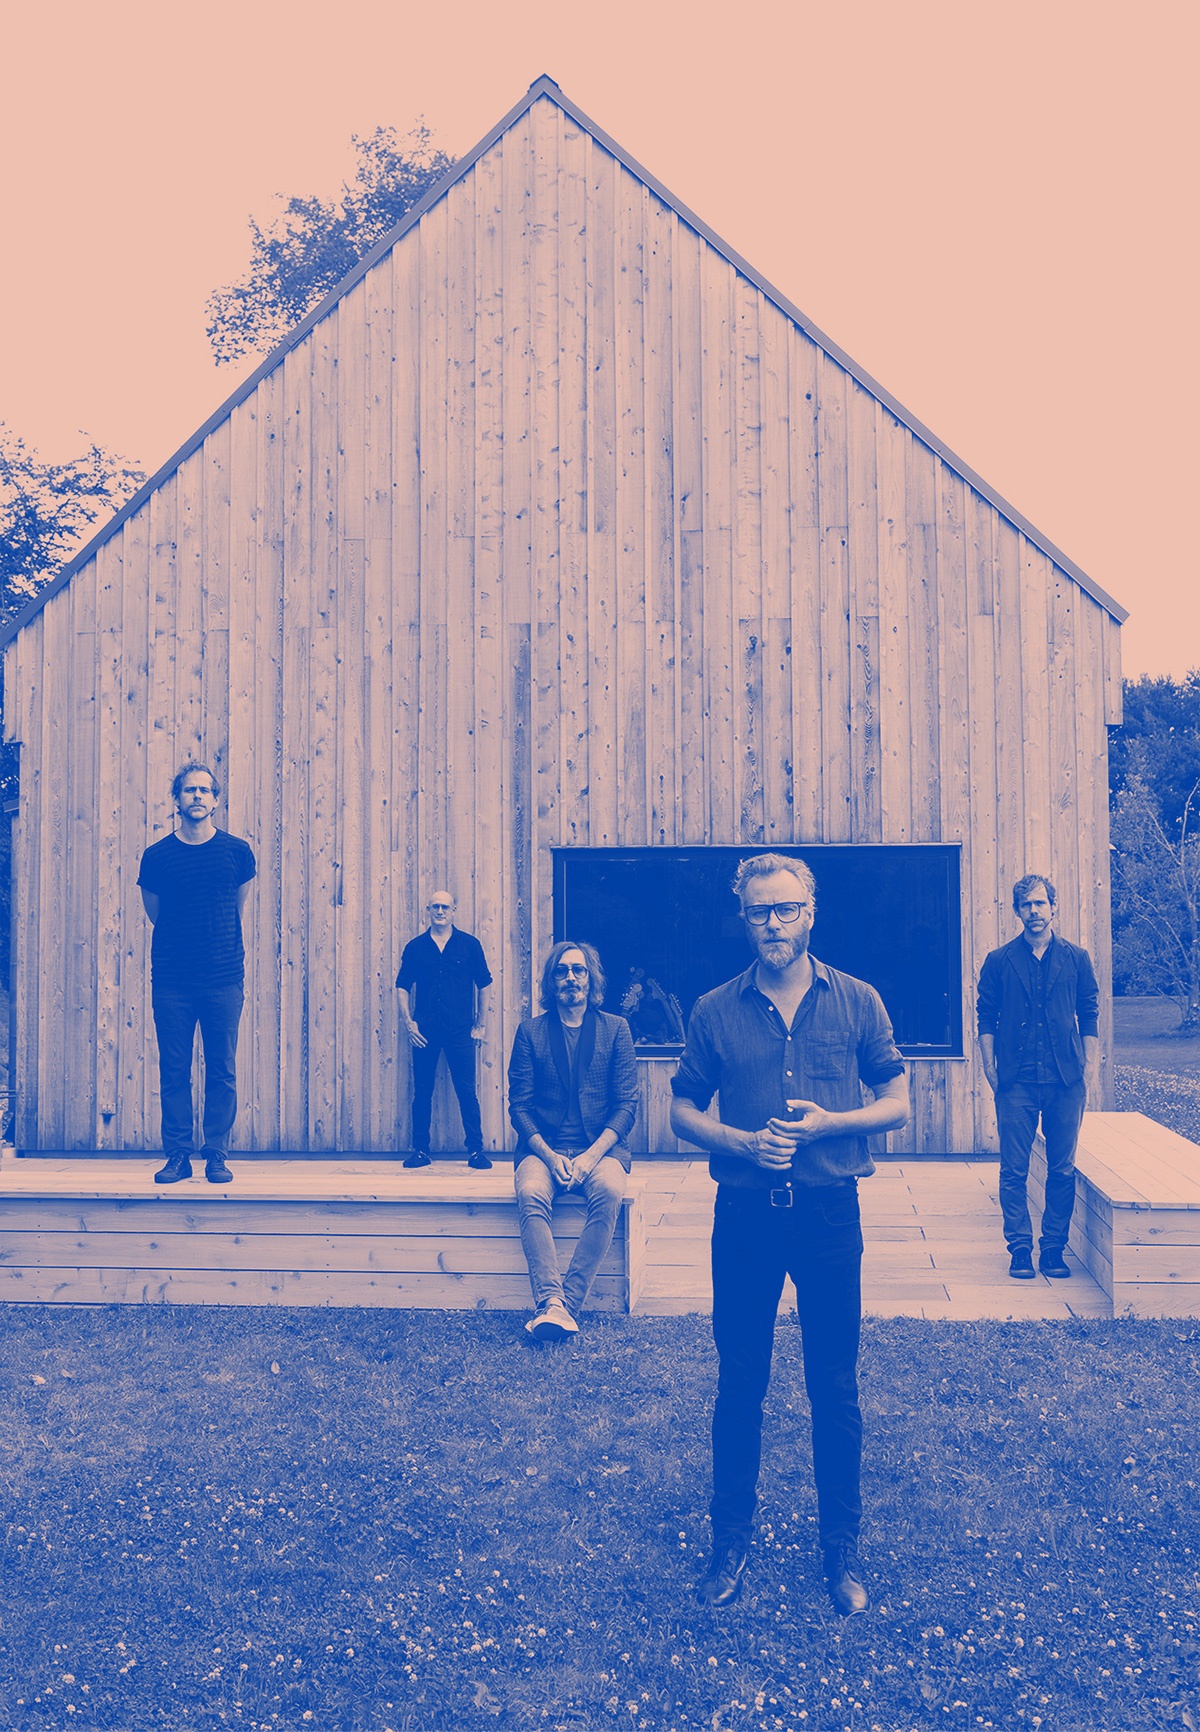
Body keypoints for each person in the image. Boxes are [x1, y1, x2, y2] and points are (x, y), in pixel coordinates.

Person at [669, 853, 908, 1617]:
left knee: (833, 1386)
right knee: (741, 1386)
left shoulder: (859, 1001)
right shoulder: (713, 1009)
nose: (772, 924)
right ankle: (729, 1542)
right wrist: (739, 1143)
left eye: (785, 910)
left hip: (830, 1215)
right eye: (758, 912)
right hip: (743, 1220)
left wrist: (835, 1124)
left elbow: (898, 1101)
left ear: (812, 912)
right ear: (743, 917)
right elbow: (681, 1112)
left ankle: (841, 1550)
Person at [508, 940, 639, 1341]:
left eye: (578, 970)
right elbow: (519, 1106)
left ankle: (564, 1305)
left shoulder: (616, 1029)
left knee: (611, 1192)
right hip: (542, 1148)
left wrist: (590, 1156)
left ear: (590, 978)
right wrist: (548, 1156)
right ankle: (551, 1303)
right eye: (562, 971)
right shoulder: (530, 1032)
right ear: (552, 980)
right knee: (530, 1193)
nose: (570, 978)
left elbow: (626, 1105)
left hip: (600, 1149)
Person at [976, 873, 1100, 1282]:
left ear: (1054, 907)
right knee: (1014, 1169)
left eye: (1040, 903)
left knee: (1062, 1169)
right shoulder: (999, 961)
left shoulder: (1077, 958)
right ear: (1017, 912)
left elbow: (1089, 1012)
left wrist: (1090, 1067)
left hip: (1066, 1080)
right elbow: (986, 1016)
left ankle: (1052, 1249)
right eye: (1026, 905)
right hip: (1016, 1082)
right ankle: (1019, 1249)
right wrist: (990, 1068)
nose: (1034, 912)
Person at [138, 763, 256, 1185]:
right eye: (189, 791)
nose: (197, 797)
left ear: (216, 800)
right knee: (174, 1068)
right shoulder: (157, 857)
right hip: (172, 980)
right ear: (177, 799)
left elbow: (234, 908)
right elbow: (157, 914)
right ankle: (177, 1156)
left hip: (223, 977)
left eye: (205, 791)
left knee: (222, 1067)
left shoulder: (237, 852)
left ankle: (217, 1154)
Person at [396, 893, 493, 1169]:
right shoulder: (416, 948)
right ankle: (420, 1151)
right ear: (428, 910)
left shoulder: (469, 945)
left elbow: (484, 984)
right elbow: (402, 985)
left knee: (466, 1091)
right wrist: (408, 1021)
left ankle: (476, 1151)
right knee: (422, 1091)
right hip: (424, 1032)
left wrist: (480, 1024)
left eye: (445, 907)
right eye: (435, 906)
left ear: (454, 910)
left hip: (460, 1031)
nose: (440, 910)